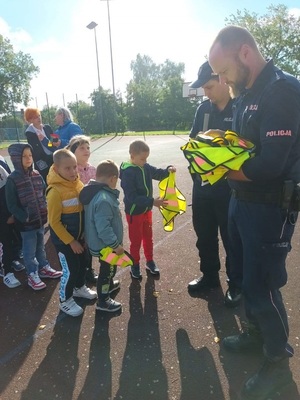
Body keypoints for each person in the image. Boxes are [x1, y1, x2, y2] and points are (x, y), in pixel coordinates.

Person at [209, 25, 300, 399]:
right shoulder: (247, 92)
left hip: (268, 205)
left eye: (225, 71)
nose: (224, 79)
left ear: (244, 53)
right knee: (246, 278)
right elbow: (246, 147)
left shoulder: (282, 90)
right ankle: (257, 335)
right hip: (242, 200)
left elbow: (269, 165)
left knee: (263, 287)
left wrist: (218, 167)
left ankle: (278, 363)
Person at [187, 61, 239, 306]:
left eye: (208, 86)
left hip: (230, 190)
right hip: (203, 188)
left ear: (222, 79)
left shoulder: (240, 106)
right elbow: (192, 143)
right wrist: (196, 173)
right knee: (204, 236)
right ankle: (209, 277)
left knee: (232, 239)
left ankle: (237, 284)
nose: (205, 92)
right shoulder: (202, 110)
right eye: (203, 88)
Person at [46, 149, 97, 317]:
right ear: (56, 168)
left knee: (82, 264)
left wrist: (82, 235)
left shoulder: (78, 184)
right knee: (70, 270)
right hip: (65, 242)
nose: (73, 171)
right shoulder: (55, 192)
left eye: (74, 167)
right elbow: (54, 222)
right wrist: (71, 241)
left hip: (80, 237)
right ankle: (65, 300)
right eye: (67, 168)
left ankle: (79, 288)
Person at [6, 143, 62, 290]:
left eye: (30, 155)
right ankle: (32, 274)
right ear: (16, 158)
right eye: (24, 156)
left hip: (40, 221)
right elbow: (11, 204)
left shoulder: (37, 175)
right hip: (26, 224)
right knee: (29, 250)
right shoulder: (13, 179)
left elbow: (43, 193)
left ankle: (43, 267)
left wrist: (45, 208)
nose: (28, 158)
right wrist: (23, 217)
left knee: (40, 247)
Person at [120, 140, 176, 279]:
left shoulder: (145, 167)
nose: (145, 161)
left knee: (148, 237)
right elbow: (132, 196)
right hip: (134, 212)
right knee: (136, 240)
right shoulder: (127, 172)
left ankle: (149, 261)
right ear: (132, 156)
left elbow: (158, 173)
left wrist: (168, 170)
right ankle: (135, 264)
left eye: (146, 159)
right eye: (142, 159)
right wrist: (152, 201)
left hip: (147, 210)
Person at [80, 160, 123, 313]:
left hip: (100, 243)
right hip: (107, 246)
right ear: (112, 179)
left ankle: (109, 287)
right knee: (107, 271)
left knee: (108, 270)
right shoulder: (104, 199)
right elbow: (104, 229)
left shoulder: (93, 191)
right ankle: (103, 300)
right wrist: (116, 245)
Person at [67, 134, 98, 284]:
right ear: (73, 152)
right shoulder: (71, 171)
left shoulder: (93, 169)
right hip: (77, 215)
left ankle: (89, 271)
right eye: (82, 148)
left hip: (91, 213)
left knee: (90, 243)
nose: (86, 150)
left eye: (88, 147)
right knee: (79, 245)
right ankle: (80, 274)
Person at [0, 160, 25, 288]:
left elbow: (7, 194)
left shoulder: (1, 168)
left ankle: (8, 269)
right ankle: (6, 270)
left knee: (8, 242)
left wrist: (10, 215)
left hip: (5, 216)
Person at [24, 108, 59, 182]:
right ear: (30, 120)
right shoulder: (29, 133)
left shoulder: (47, 127)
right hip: (42, 161)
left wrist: (48, 141)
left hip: (53, 158)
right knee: (45, 181)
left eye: (39, 115)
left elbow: (55, 141)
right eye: (35, 117)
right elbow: (36, 151)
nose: (39, 118)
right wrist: (50, 144)